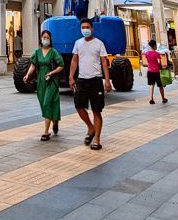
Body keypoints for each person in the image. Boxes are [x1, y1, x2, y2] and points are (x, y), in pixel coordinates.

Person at [69, 19, 112, 150]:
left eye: (87, 27)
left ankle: (97, 139)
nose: (85, 29)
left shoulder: (99, 43)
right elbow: (74, 60)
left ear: (92, 29)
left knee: (96, 110)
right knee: (79, 106)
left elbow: (104, 62)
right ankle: (90, 127)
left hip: (96, 80)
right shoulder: (78, 43)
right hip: (82, 80)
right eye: (83, 27)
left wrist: (107, 80)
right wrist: (71, 77)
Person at [24, 30, 64, 139]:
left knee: (47, 103)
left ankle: (46, 132)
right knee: (43, 103)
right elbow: (33, 65)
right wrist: (27, 75)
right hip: (41, 81)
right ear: (40, 39)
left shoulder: (54, 52)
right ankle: (54, 121)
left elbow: (61, 65)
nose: (45, 40)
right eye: (44, 37)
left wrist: (52, 72)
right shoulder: (37, 52)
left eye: (47, 38)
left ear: (50, 40)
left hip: (51, 81)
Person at [143, 39, 168, 104]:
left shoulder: (147, 53)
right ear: (154, 45)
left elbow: (147, 60)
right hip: (156, 71)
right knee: (160, 85)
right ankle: (163, 98)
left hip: (150, 71)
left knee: (151, 85)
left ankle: (151, 98)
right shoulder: (156, 54)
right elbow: (159, 62)